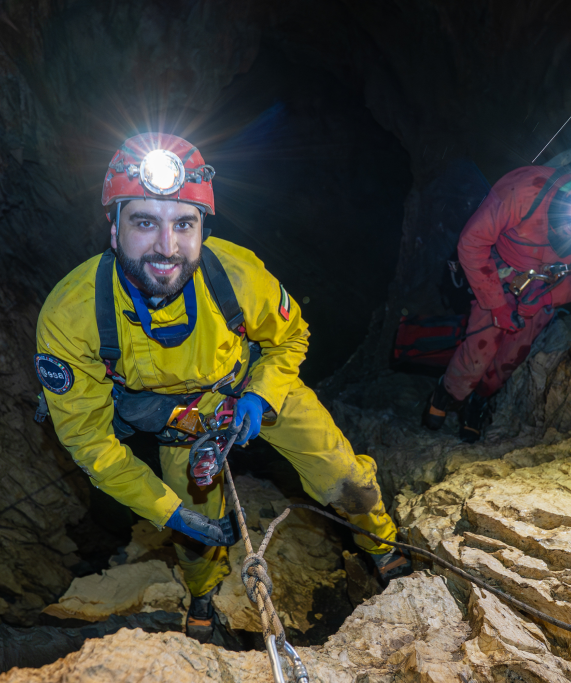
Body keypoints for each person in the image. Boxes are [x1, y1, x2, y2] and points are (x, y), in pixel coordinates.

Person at [35, 133, 409, 644]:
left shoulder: (234, 272)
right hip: (178, 424)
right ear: (113, 226)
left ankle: (383, 547)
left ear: (202, 228)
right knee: (194, 533)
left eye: (183, 224)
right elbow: (89, 441)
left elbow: (290, 337)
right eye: (145, 222)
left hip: (250, 386)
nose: (167, 247)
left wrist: (260, 394)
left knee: (345, 476)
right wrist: (168, 511)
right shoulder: (72, 317)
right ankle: (203, 595)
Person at [423, 161, 571, 442]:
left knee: (510, 358)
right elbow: (473, 242)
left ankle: (480, 398)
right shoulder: (527, 188)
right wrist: (496, 303)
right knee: (481, 346)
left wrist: (549, 296)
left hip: (541, 289)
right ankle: (448, 391)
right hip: (498, 271)